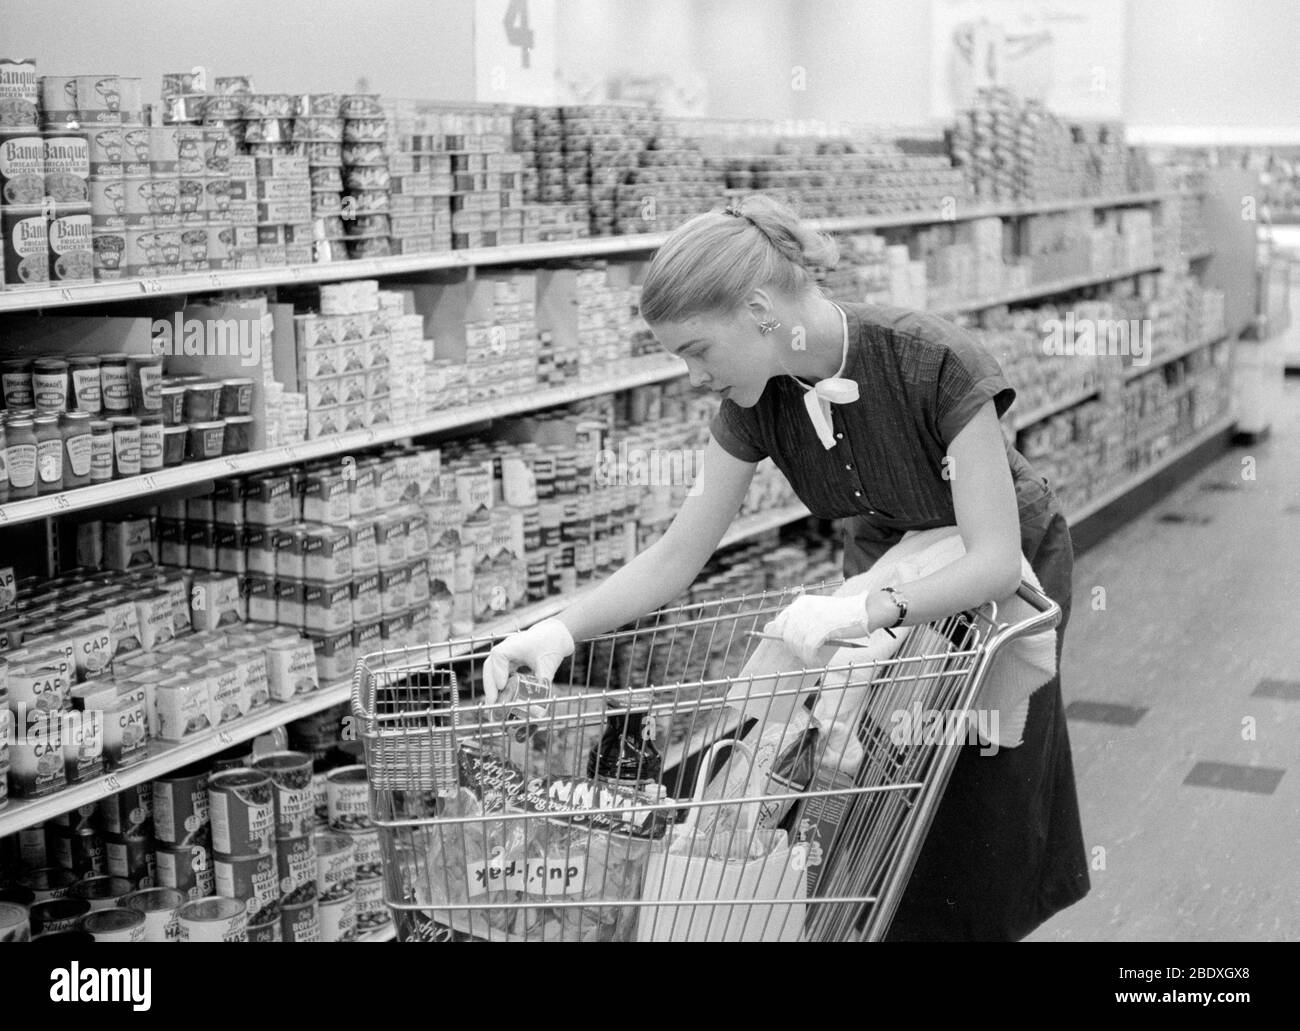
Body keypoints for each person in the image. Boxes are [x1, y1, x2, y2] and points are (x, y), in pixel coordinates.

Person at [483, 194, 1090, 941]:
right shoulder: (753, 406)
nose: (692, 373)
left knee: (971, 775)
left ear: (761, 311)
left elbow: (995, 560)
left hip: (999, 563)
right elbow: (680, 550)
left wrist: (865, 611)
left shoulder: (931, 362)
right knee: (868, 781)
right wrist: (558, 631)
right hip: (885, 558)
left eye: (696, 350)